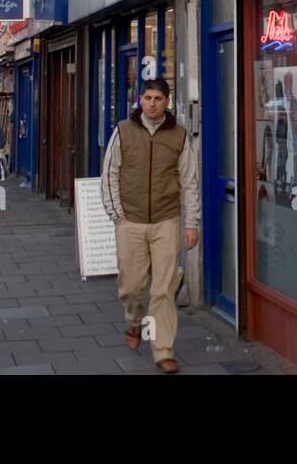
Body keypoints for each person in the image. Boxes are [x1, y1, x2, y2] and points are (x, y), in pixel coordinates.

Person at [101, 78, 199, 374]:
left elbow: (189, 182)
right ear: (139, 100)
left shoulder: (180, 136)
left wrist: (191, 222)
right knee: (131, 287)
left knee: (162, 290)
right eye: (148, 98)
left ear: (167, 101)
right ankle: (133, 319)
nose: (153, 104)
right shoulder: (123, 131)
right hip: (130, 220)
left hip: (166, 220)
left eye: (158, 98)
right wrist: (117, 215)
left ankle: (162, 348)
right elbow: (109, 175)